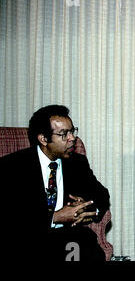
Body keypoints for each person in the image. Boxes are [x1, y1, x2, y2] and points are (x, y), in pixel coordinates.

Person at [0, 105, 110, 261]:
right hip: (26, 239)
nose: (72, 138)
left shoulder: (76, 163)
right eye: (64, 134)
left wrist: (89, 208)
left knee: (87, 246)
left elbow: (101, 194)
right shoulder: (12, 167)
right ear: (43, 139)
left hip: (67, 238)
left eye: (72, 131)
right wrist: (55, 217)